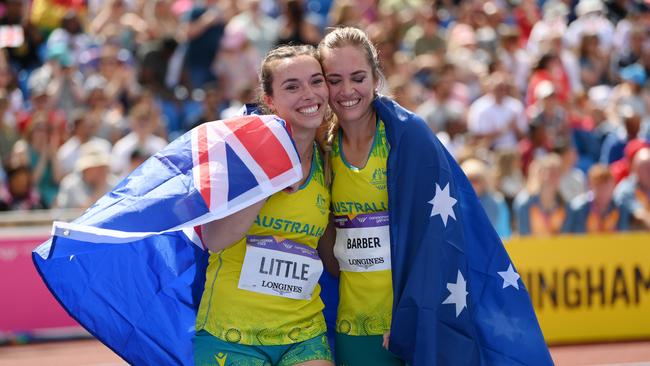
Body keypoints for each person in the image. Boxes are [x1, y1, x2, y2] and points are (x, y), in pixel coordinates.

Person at [193, 44, 334, 366]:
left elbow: (331, 255)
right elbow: (216, 240)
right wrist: (266, 177)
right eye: (292, 86)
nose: (309, 94)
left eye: (316, 81)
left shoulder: (330, 162)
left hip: (303, 332)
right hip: (230, 334)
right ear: (269, 100)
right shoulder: (241, 154)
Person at [316, 26, 402, 366]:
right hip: (354, 325)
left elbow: (433, 237)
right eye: (334, 80)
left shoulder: (402, 139)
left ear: (376, 78)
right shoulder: (323, 151)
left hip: (410, 319)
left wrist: (409, 311)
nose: (347, 90)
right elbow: (332, 255)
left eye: (358, 77)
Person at [566, 164, 630, 233]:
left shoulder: (621, 208)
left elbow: (624, 236)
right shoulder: (577, 208)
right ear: (590, 185)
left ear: (613, 185)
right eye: (599, 186)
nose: (603, 191)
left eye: (606, 186)